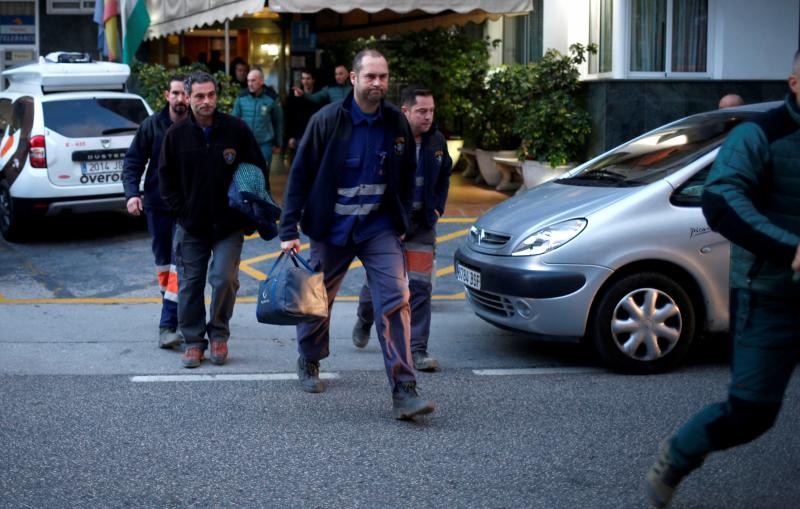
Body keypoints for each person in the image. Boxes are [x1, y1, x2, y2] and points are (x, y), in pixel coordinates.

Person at [645, 51, 800, 508]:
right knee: (752, 413)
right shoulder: (761, 135)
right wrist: (789, 249)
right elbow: (721, 200)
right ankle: (679, 454)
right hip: (769, 295)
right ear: (794, 82)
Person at [279, 49, 435, 420]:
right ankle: (310, 357)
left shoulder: (396, 122)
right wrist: (288, 228)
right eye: (371, 77)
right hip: (331, 230)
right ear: (353, 78)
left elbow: (406, 171)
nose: (378, 83)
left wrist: (401, 220)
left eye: (383, 76)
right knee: (316, 300)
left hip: (377, 229)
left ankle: (404, 389)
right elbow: (299, 175)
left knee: (396, 298)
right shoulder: (326, 121)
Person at [159, 71, 269, 369]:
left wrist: (249, 212)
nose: (206, 101)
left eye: (211, 95)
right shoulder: (176, 135)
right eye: (199, 96)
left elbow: (258, 171)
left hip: (228, 226)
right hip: (191, 227)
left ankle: (219, 333)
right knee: (189, 285)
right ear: (188, 97)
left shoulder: (237, 130)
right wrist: (182, 212)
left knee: (224, 280)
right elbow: (164, 180)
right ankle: (194, 342)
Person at [352, 85, 452, 372]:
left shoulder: (437, 142)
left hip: (421, 225)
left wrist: (437, 207)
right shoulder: (387, 137)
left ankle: (417, 349)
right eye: (421, 111)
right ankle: (365, 317)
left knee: (420, 286)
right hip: (387, 225)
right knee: (380, 285)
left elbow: (445, 173)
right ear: (405, 111)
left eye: (431, 111)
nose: (428, 117)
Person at [122, 74, 188, 350]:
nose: (181, 99)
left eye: (185, 94)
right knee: (164, 265)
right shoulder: (152, 125)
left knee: (179, 264)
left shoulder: (198, 126)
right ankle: (173, 310)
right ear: (166, 95)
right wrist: (131, 194)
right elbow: (134, 161)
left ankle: (167, 324)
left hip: (187, 210)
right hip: (156, 206)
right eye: (176, 93)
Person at [232, 67, 284, 177]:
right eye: (248, 81)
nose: (250, 84)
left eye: (253, 81)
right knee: (246, 176)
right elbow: (234, 121)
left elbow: (278, 122)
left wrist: (278, 143)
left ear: (261, 81)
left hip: (265, 143)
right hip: (245, 144)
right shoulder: (241, 98)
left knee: (263, 175)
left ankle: (264, 194)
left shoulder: (272, 98)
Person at [285, 69, 322, 157]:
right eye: (303, 78)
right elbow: (290, 118)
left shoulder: (319, 96)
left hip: (315, 135)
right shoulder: (294, 97)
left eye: (308, 78)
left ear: (313, 80)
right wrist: (290, 137)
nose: (305, 81)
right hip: (300, 135)